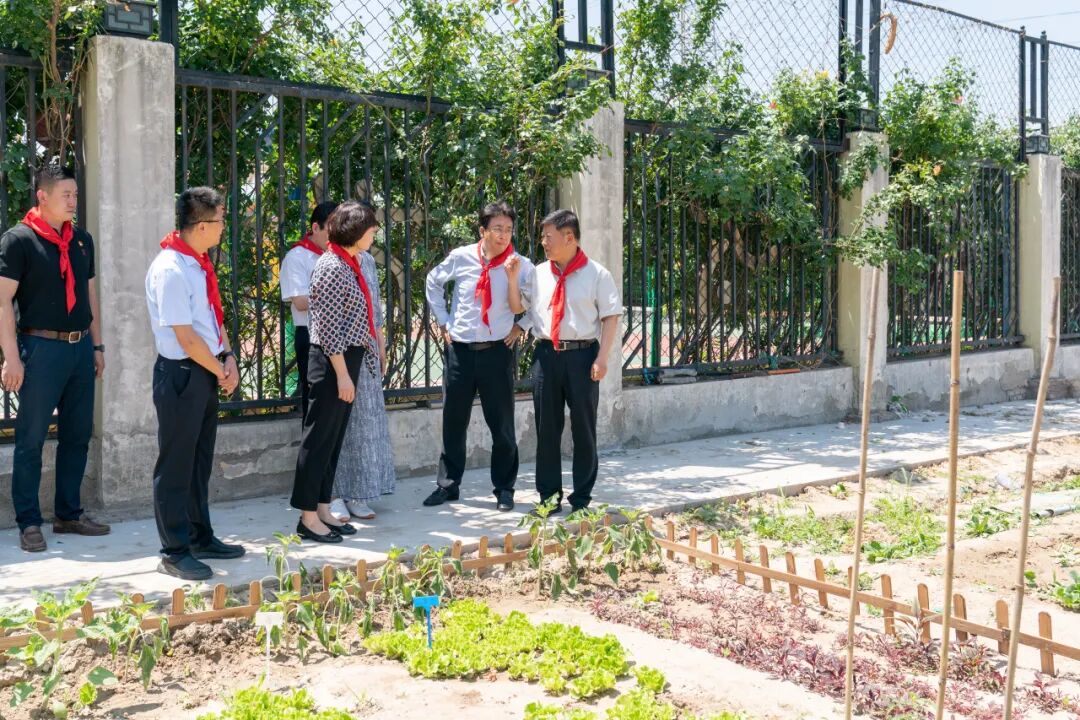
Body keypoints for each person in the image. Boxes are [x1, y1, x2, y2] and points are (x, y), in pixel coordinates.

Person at [0, 164, 111, 553]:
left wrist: (97, 346)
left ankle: (68, 513)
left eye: (75, 194)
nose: (73, 201)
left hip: (79, 348)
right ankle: (29, 521)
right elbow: (2, 301)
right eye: (66, 195)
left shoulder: (81, 241)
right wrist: (11, 358)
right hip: (40, 349)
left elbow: (88, 294)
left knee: (77, 435)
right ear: (42, 196)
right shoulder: (18, 241)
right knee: (30, 438)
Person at [145, 186, 245, 580]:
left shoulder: (196, 263)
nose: (223, 228)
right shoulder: (170, 268)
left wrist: (228, 356)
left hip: (204, 369)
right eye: (220, 221)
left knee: (199, 462)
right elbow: (185, 337)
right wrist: (219, 369)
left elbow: (211, 319)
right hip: (182, 374)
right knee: (176, 464)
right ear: (201, 225)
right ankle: (174, 550)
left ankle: (200, 536)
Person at [422, 201, 532, 512]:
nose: (503, 235)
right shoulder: (461, 257)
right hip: (460, 351)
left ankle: (504, 488)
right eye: (497, 229)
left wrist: (522, 325)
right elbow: (433, 281)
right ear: (482, 231)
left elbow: (538, 300)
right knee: (454, 421)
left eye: (508, 229)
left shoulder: (520, 264)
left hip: (496, 352)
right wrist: (443, 320)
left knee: (502, 424)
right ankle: (448, 485)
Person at [516, 209, 620, 514]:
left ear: (569, 237)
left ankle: (582, 499)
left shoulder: (597, 274)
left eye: (548, 236)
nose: (543, 242)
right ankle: (549, 498)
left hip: (582, 355)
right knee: (546, 429)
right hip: (546, 355)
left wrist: (602, 358)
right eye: (543, 236)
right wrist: (510, 278)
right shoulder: (538, 273)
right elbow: (520, 306)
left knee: (583, 429)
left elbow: (611, 317)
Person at [291, 201, 380, 543]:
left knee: (333, 441)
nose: (374, 233)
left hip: (347, 359)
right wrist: (342, 375)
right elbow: (328, 329)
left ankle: (323, 508)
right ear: (355, 231)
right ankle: (307, 517)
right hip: (332, 363)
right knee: (317, 441)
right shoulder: (330, 266)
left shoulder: (350, 262)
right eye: (371, 228)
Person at [329, 245, 395, 522]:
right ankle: (333, 495)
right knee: (336, 425)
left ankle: (357, 493)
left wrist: (380, 346)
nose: (373, 235)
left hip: (366, 350)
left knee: (364, 423)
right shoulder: (331, 262)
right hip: (337, 354)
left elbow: (374, 309)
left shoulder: (367, 261)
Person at [279, 201, 338, 421]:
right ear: (315, 228)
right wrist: (337, 298)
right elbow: (300, 301)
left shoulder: (337, 256)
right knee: (316, 401)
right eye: (331, 230)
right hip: (312, 335)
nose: (335, 237)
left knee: (337, 401)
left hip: (339, 334)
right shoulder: (297, 257)